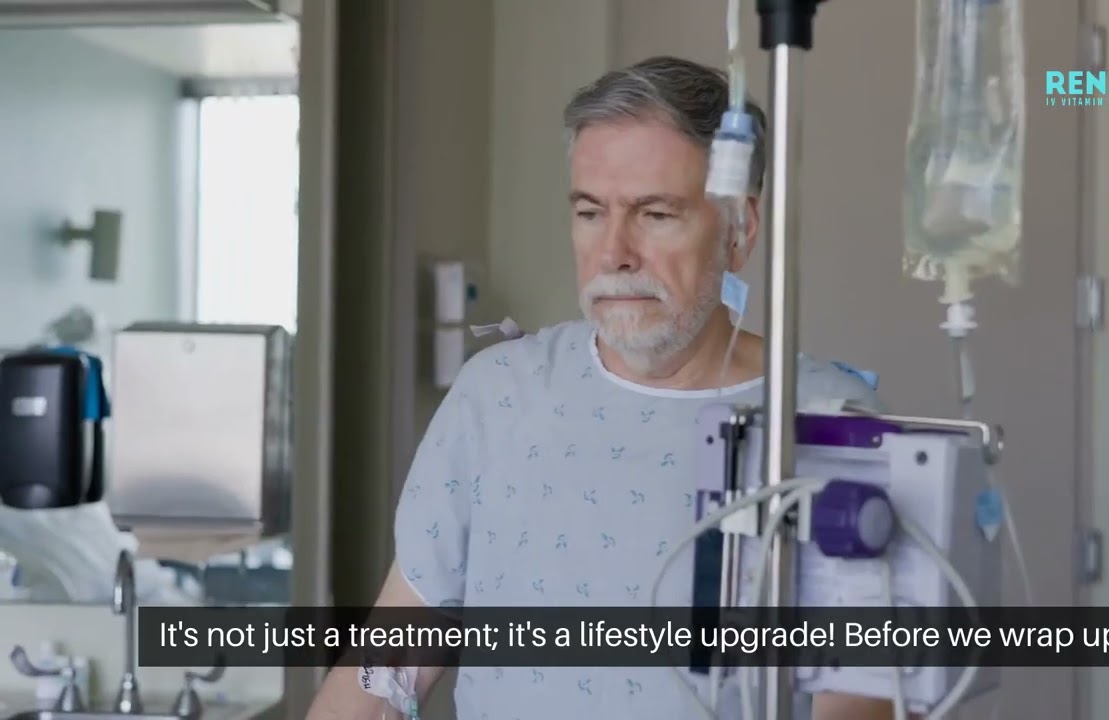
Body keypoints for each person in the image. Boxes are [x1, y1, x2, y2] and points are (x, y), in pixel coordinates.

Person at [307, 55, 904, 720]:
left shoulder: (832, 427)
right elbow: (385, 669)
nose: (614, 252)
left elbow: (858, 700)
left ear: (740, 230)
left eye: (656, 214)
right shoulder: (499, 397)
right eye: (591, 213)